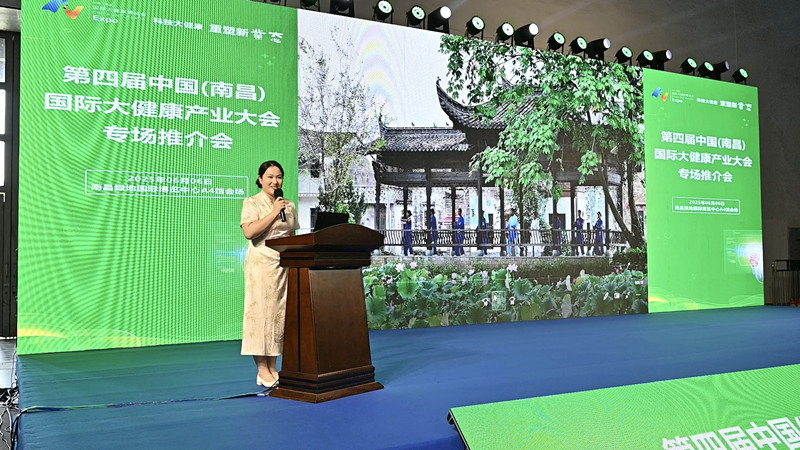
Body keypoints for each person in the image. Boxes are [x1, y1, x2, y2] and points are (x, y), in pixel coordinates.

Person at [240, 160, 299, 389]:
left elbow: (293, 234)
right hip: (261, 265)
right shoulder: (252, 202)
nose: (276, 181)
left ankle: (274, 368)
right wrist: (274, 212)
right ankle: (262, 370)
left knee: (278, 315)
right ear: (260, 179)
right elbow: (250, 232)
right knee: (261, 315)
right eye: (270, 177)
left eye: (279, 177)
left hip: (284, 264)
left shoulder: (289, 205)